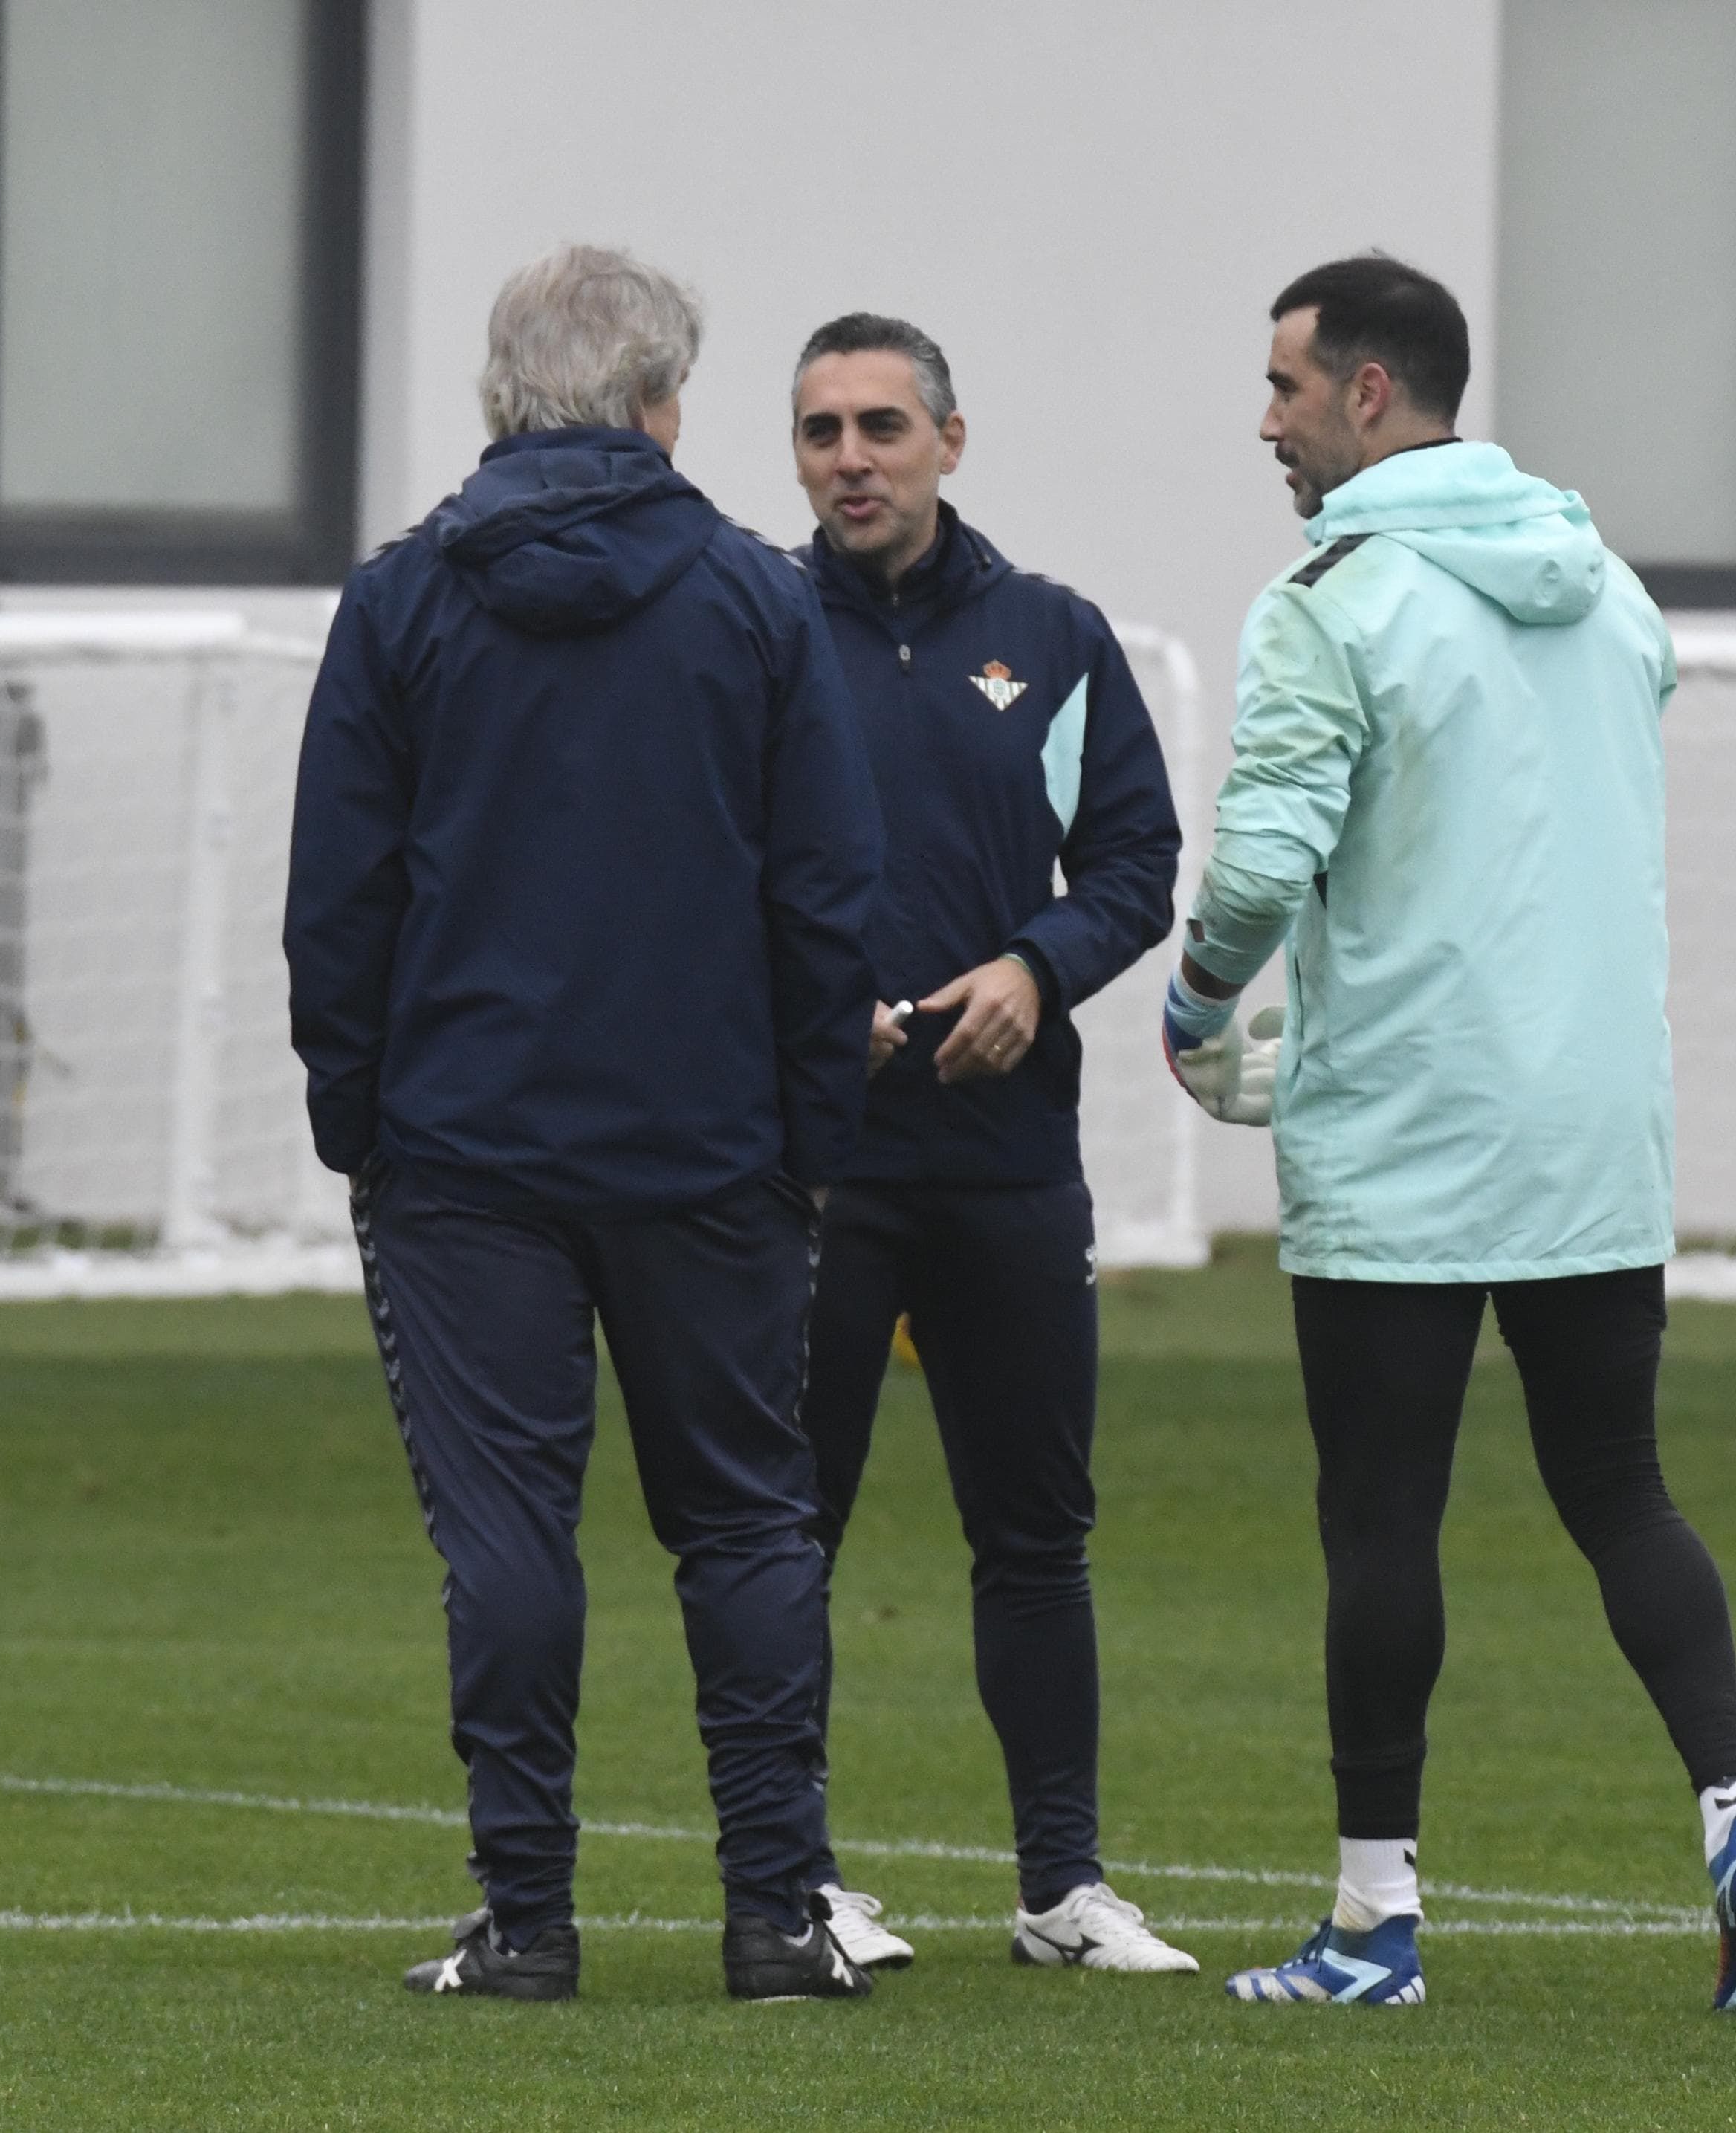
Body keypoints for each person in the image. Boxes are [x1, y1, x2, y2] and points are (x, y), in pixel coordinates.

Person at [1163, 254, 1736, 2015]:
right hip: (1596, 1124)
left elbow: (1256, 870)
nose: (1268, 420)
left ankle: (1374, 1922)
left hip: (1408, 1130)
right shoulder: (1603, 585)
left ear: (1371, 394)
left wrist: (1195, 1006)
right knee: (1621, 1487)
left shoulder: (1335, 598)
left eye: (1288, 386)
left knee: (1382, 1517)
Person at [285, 244, 890, 2004]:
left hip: (467, 1150)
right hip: (708, 1146)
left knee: (505, 1534)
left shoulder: (401, 600)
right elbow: (824, 891)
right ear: (657, 401)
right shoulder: (759, 601)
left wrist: (361, 1126)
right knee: (749, 1524)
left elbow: (343, 903)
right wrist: (807, 1130)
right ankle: (778, 1911)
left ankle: (530, 1920)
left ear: (501, 396)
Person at [786, 313, 1195, 1974]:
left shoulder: (1055, 636)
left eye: (883, 424)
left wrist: (1039, 966)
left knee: (1036, 1532)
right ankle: (792, 1878)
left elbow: (1138, 858)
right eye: (821, 431)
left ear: (955, 440)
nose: (852, 458)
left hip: (1011, 1165)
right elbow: (687, 869)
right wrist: (815, 1019)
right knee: (781, 1531)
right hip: (812, 1164)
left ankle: (1062, 1890)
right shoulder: (749, 627)